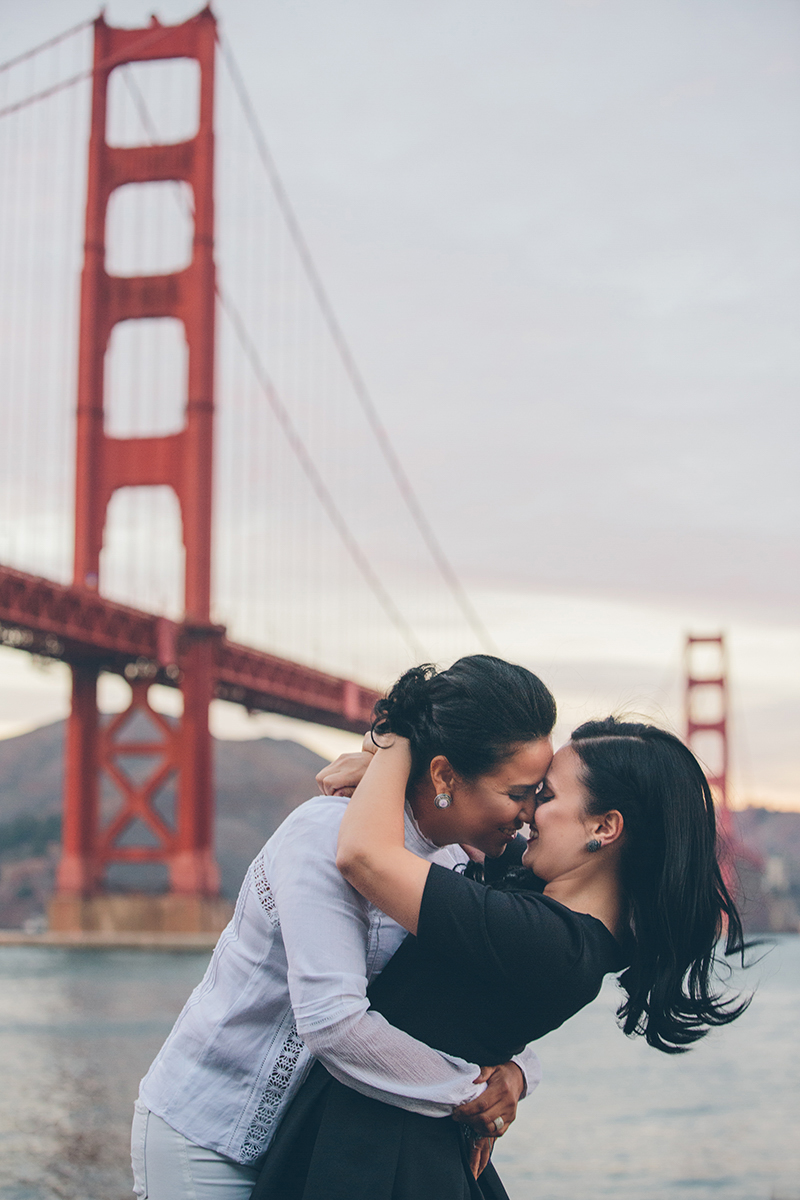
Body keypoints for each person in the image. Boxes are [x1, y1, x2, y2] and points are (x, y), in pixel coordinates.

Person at [251, 710, 748, 1200]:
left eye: (545, 797)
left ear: (604, 827)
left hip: (372, 1159)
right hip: (397, 1143)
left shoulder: (545, 940)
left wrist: (399, 741)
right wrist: (418, 783)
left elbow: (364, 855)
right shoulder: (569, 920)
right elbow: (472, 819)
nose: (526, 812)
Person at [131, 655, 557, 1200]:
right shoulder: (323, 835)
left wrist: (516, 1072)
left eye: (537, 795)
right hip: (207, 1137)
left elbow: (478, 996)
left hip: (314, 1143)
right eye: (518, 793)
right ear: (446, 775)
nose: (530, 814)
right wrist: (468, 1095)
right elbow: (332, 1021)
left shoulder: (458, 859)